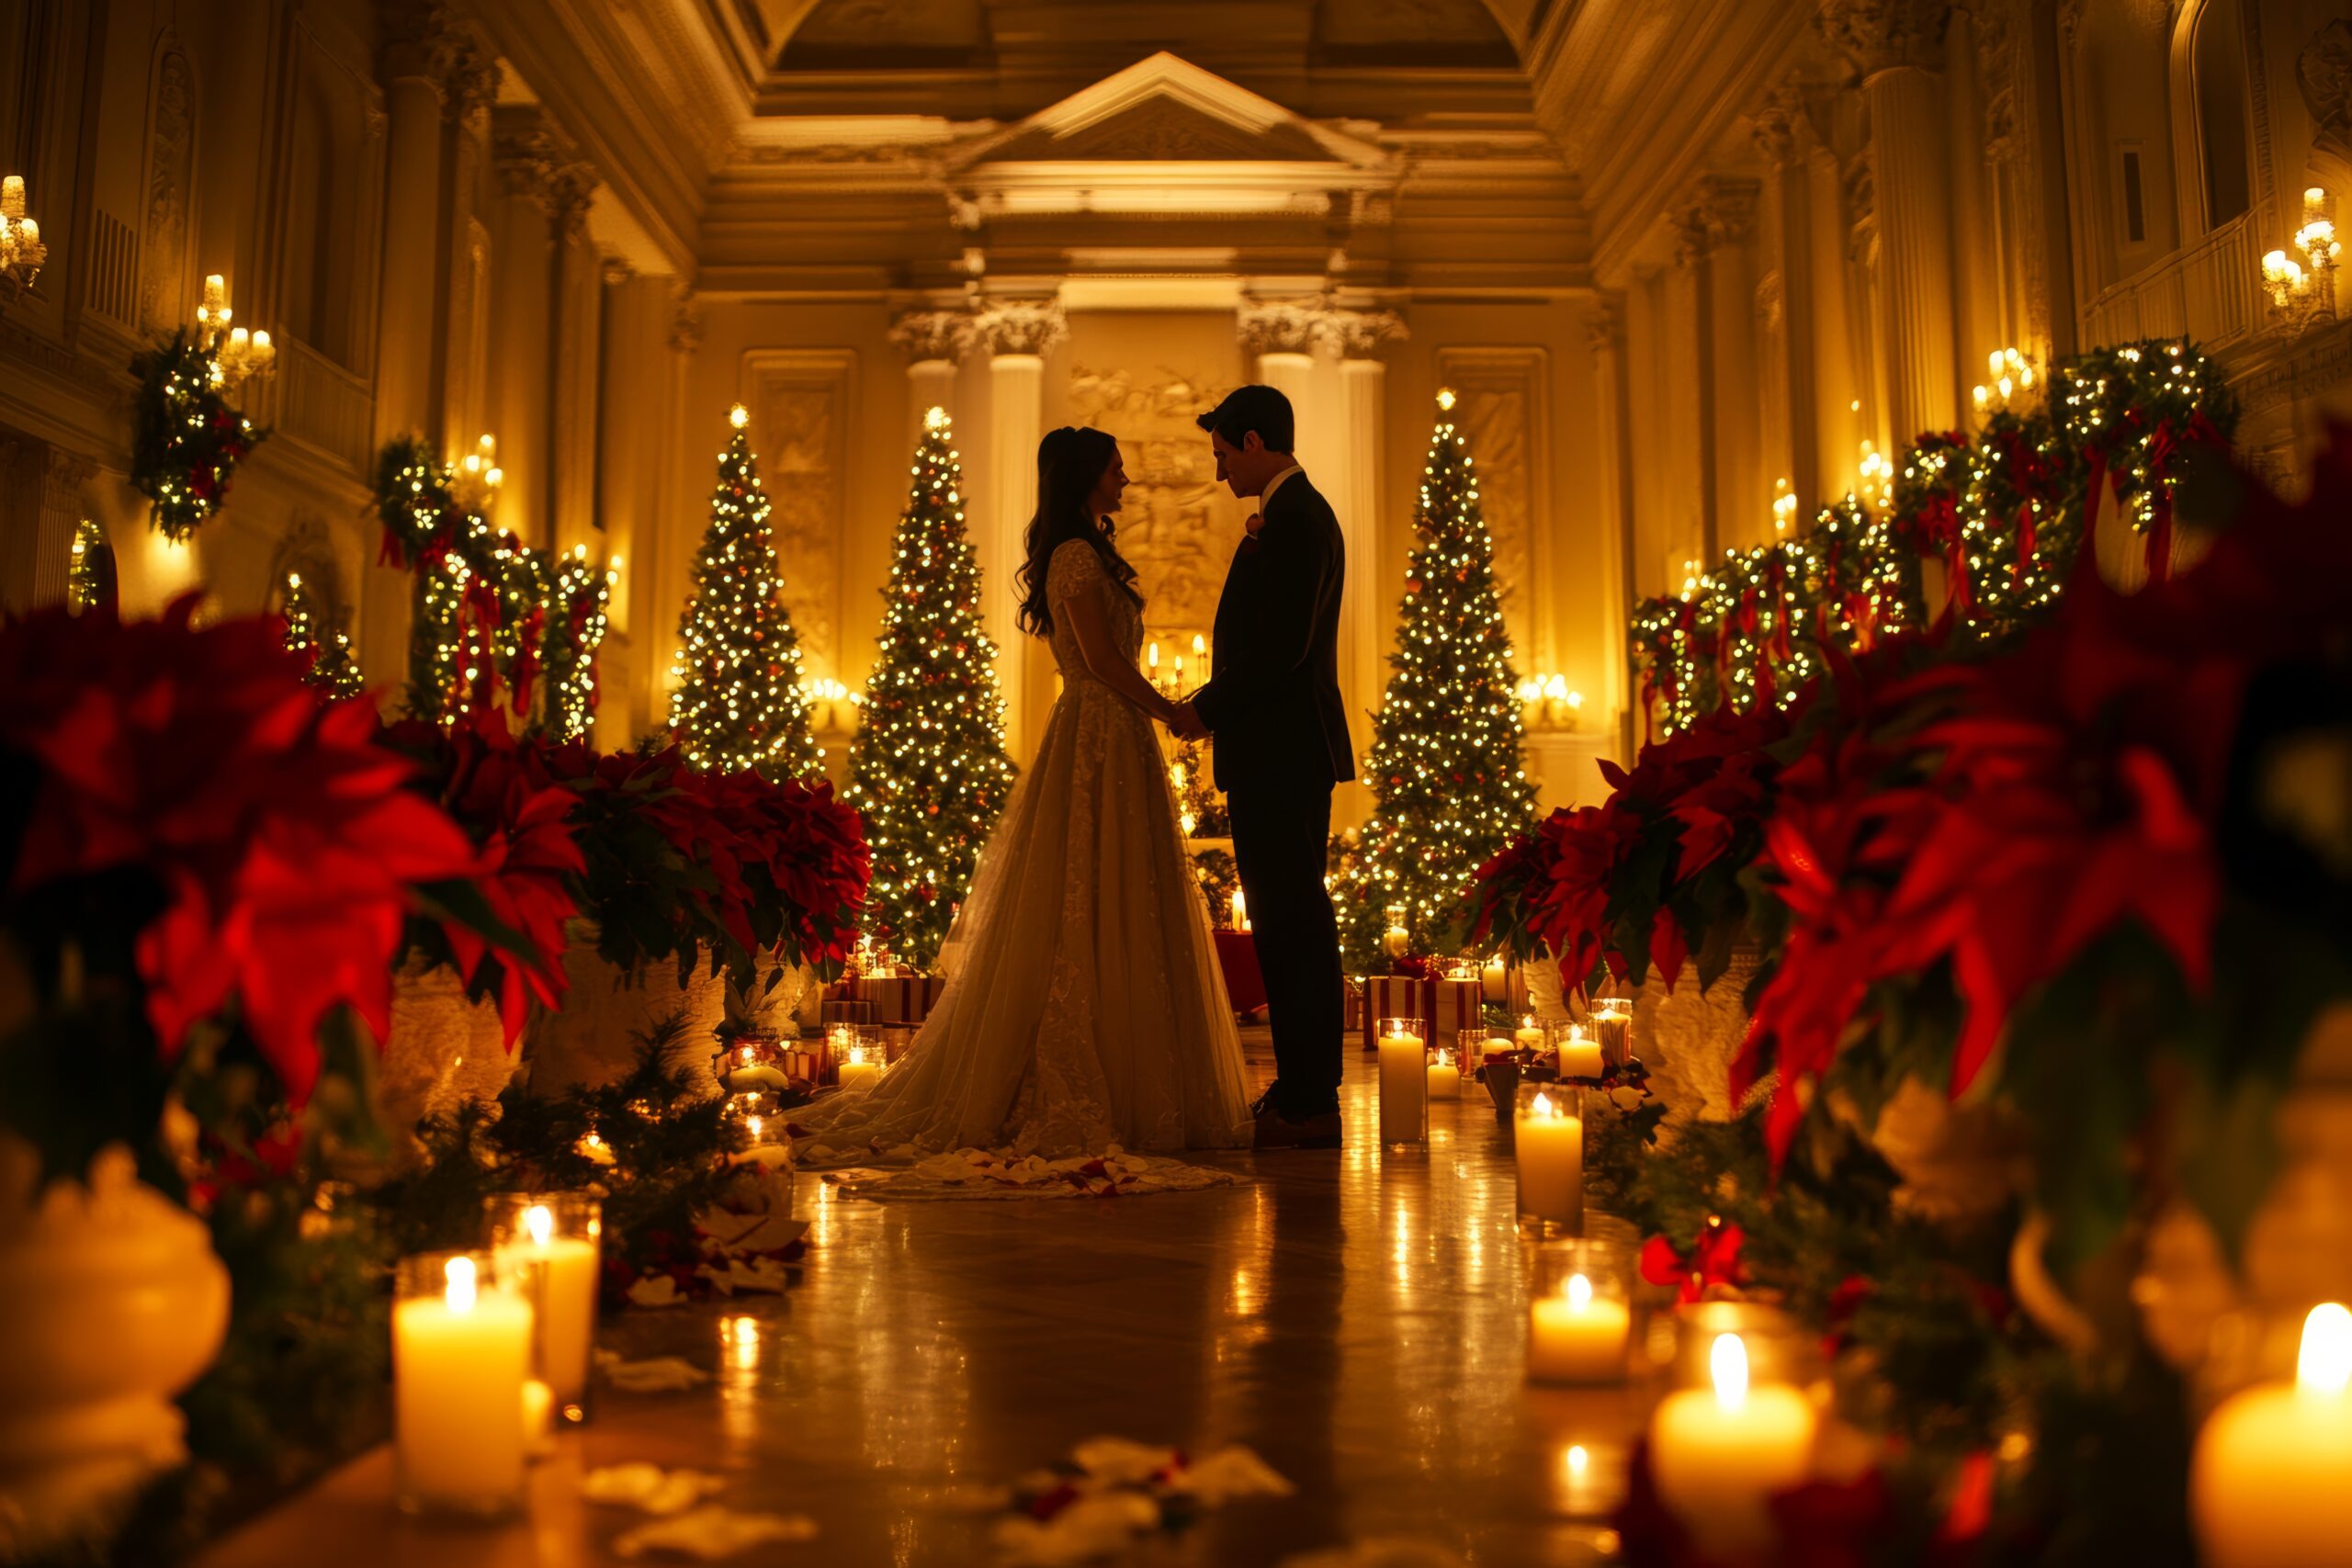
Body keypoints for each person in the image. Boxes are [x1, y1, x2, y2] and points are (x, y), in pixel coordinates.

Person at [794, 425, 1252, 1172]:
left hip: (1117, 731)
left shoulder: (1089, 551)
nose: (1127, 480)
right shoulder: (1074, 555)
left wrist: (1155, 716)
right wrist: (1171, 710)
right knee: (1087, 890)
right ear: (1085, 476)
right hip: (1099, 726)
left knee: (1122, 892)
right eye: (1116, 469)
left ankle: (1139, 1082)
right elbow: (1100, 658)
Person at [1170, 385, 1353, 1150]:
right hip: (1281, 750)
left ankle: (1310, 1099)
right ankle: (1301, 1087)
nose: (1219, 472)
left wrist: (1205, 708)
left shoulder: (1299, 520)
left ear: (1253, 442)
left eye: (1222, 454)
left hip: (1282, 752)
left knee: (1293, 925)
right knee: (1283, 924)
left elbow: (1280, 646)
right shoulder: (1292, 516)